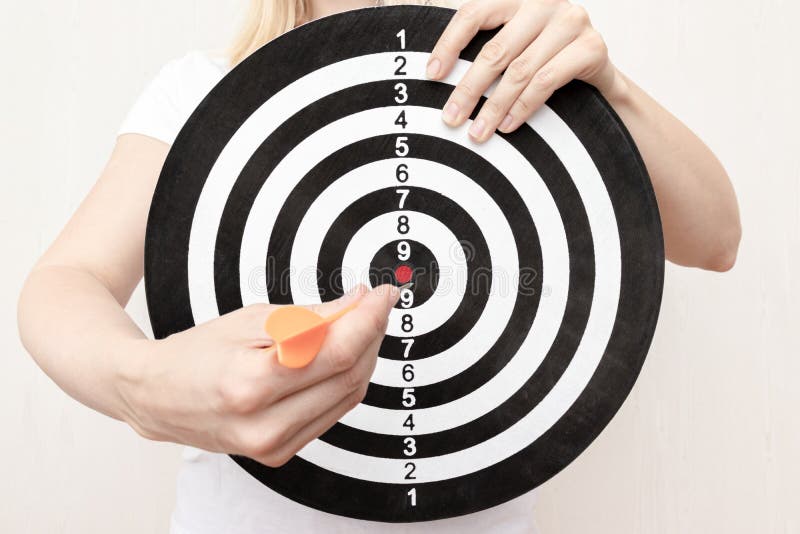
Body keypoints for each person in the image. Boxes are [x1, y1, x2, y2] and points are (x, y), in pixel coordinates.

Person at [16, 0, 741, 532]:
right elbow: (63, 284)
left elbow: (717, 238)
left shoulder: (522, 95)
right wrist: (142, 383)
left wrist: (605, 86)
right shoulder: (203, 91)